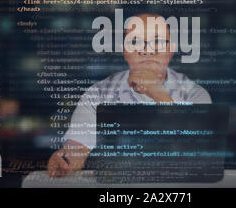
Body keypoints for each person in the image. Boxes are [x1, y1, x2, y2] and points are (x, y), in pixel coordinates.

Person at [47, 13, 211, 177]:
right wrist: (66, 160)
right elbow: (79, 146)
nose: (147, 50)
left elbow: (195, 151)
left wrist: (159, 94)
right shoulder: (97, 94)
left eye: (158, 42)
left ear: (171, 49)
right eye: (135, 41)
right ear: (123, 49)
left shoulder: (195, 95)